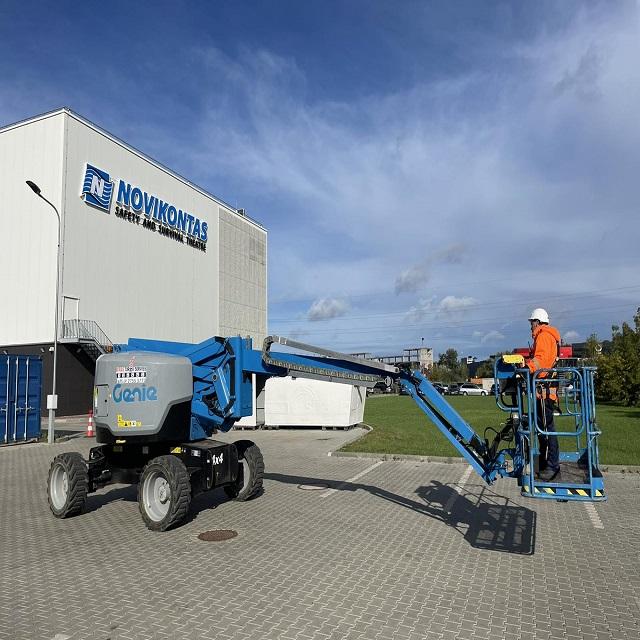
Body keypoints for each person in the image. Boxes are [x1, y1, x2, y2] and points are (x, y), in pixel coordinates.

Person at [524, 308, 561, 481]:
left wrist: (527, 368)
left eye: (532, 322)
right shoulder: (544, 335)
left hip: (545, 391)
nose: (531, 326)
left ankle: (552, 466)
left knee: (546, 429)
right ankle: (547, 462)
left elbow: (541, 361)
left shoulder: (544, 336)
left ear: (537, 322)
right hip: (543, 391)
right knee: (543, 428)